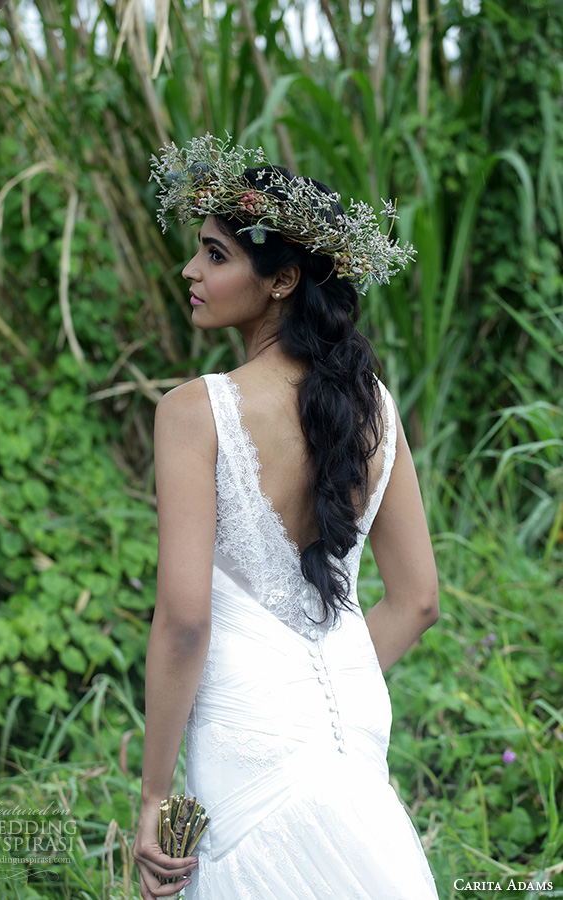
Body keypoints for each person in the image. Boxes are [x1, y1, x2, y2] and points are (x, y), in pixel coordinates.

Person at [132, 136, 441, 900]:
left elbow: (183, 623)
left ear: (283, 281)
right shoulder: (376, 408)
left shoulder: (193, 412)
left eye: (214, 254)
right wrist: (319, 683)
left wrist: (154, 798)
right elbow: (419, 601)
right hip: (351, 722)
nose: (190, 272)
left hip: (245, 730)